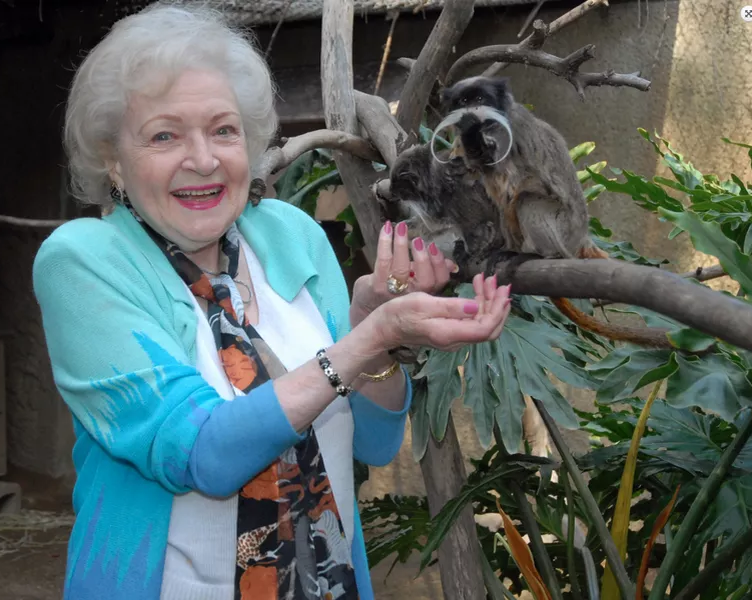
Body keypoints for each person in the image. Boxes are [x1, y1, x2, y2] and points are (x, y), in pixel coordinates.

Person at [32, 2, 512, 599]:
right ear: (114, 161)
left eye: (223, 130)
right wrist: (368, 339)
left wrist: (369, 324)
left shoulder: (290, 235)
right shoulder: (84, 262)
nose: (204, 159)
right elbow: (203, 454)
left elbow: (373, 439)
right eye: (164, 135)